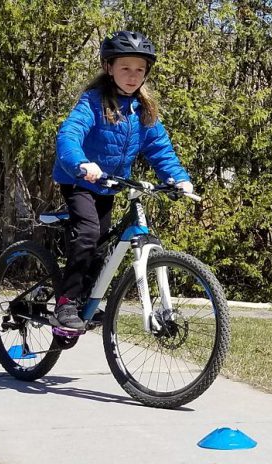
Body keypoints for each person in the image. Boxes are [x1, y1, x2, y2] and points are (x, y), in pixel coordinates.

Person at [52, 30, 194, 330]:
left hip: (110, 184)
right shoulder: (93, 101)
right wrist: (80, 163)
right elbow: (70, 134)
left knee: (103, 245)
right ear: (109, 68)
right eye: (125, 68)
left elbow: (160, 150)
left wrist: (178, 179)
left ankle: (88, 301)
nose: (132, 76)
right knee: (89, 233)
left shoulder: (142, 111)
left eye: (139, 69)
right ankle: (67, 301)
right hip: (80, 179)